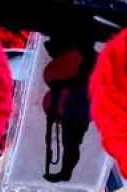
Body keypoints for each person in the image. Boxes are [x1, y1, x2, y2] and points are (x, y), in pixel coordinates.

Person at [42, 37, 97, 183]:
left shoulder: (88, 60)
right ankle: (65, 171)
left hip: (78, 110)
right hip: (74, 108)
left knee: (71, 143)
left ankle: (66, 171)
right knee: (70, 143)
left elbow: (80, 82)